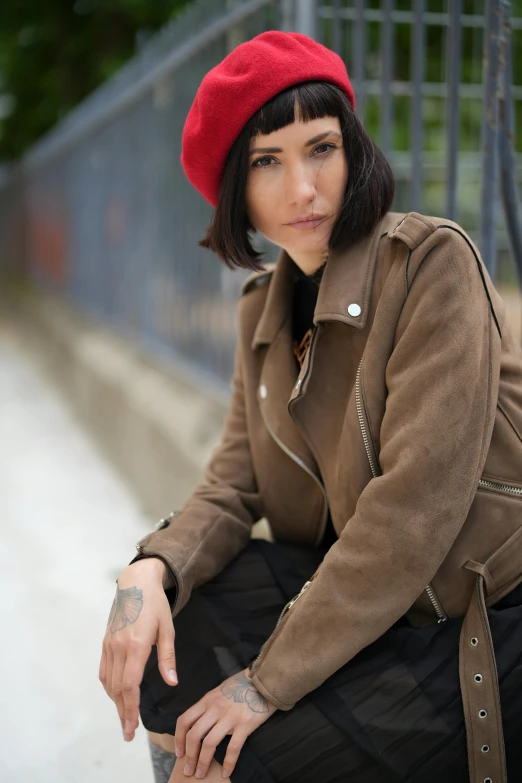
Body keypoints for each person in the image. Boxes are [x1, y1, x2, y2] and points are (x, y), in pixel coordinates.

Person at [98, 31, 522, 783]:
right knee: (173, 649)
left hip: (470, 616)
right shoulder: (264, 305)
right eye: (267, 161)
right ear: (236, 191)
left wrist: (264, 682)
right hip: (362, 596)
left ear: (352, 152)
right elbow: (234, 481)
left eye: (321, 147)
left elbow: (411, 518)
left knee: (250, 754)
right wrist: (149, 566)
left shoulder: (430, 265)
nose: (303, 188)